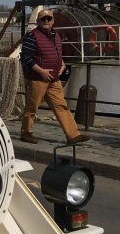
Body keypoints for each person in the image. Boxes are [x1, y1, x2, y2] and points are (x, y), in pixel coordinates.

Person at [20, 9, 89, 145]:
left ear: (53, 21)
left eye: (48, 19)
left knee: (61, 106)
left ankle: (73, 135)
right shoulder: (32, 36)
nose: (46, 21)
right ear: (38, 21)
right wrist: (41, 71)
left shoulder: (56, 35)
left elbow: (56, 52)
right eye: (43, 19)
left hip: (54, 79)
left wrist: (61, 63)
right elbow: (25, 57)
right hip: (37, 79)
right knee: (32, 106)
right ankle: (26, 133)